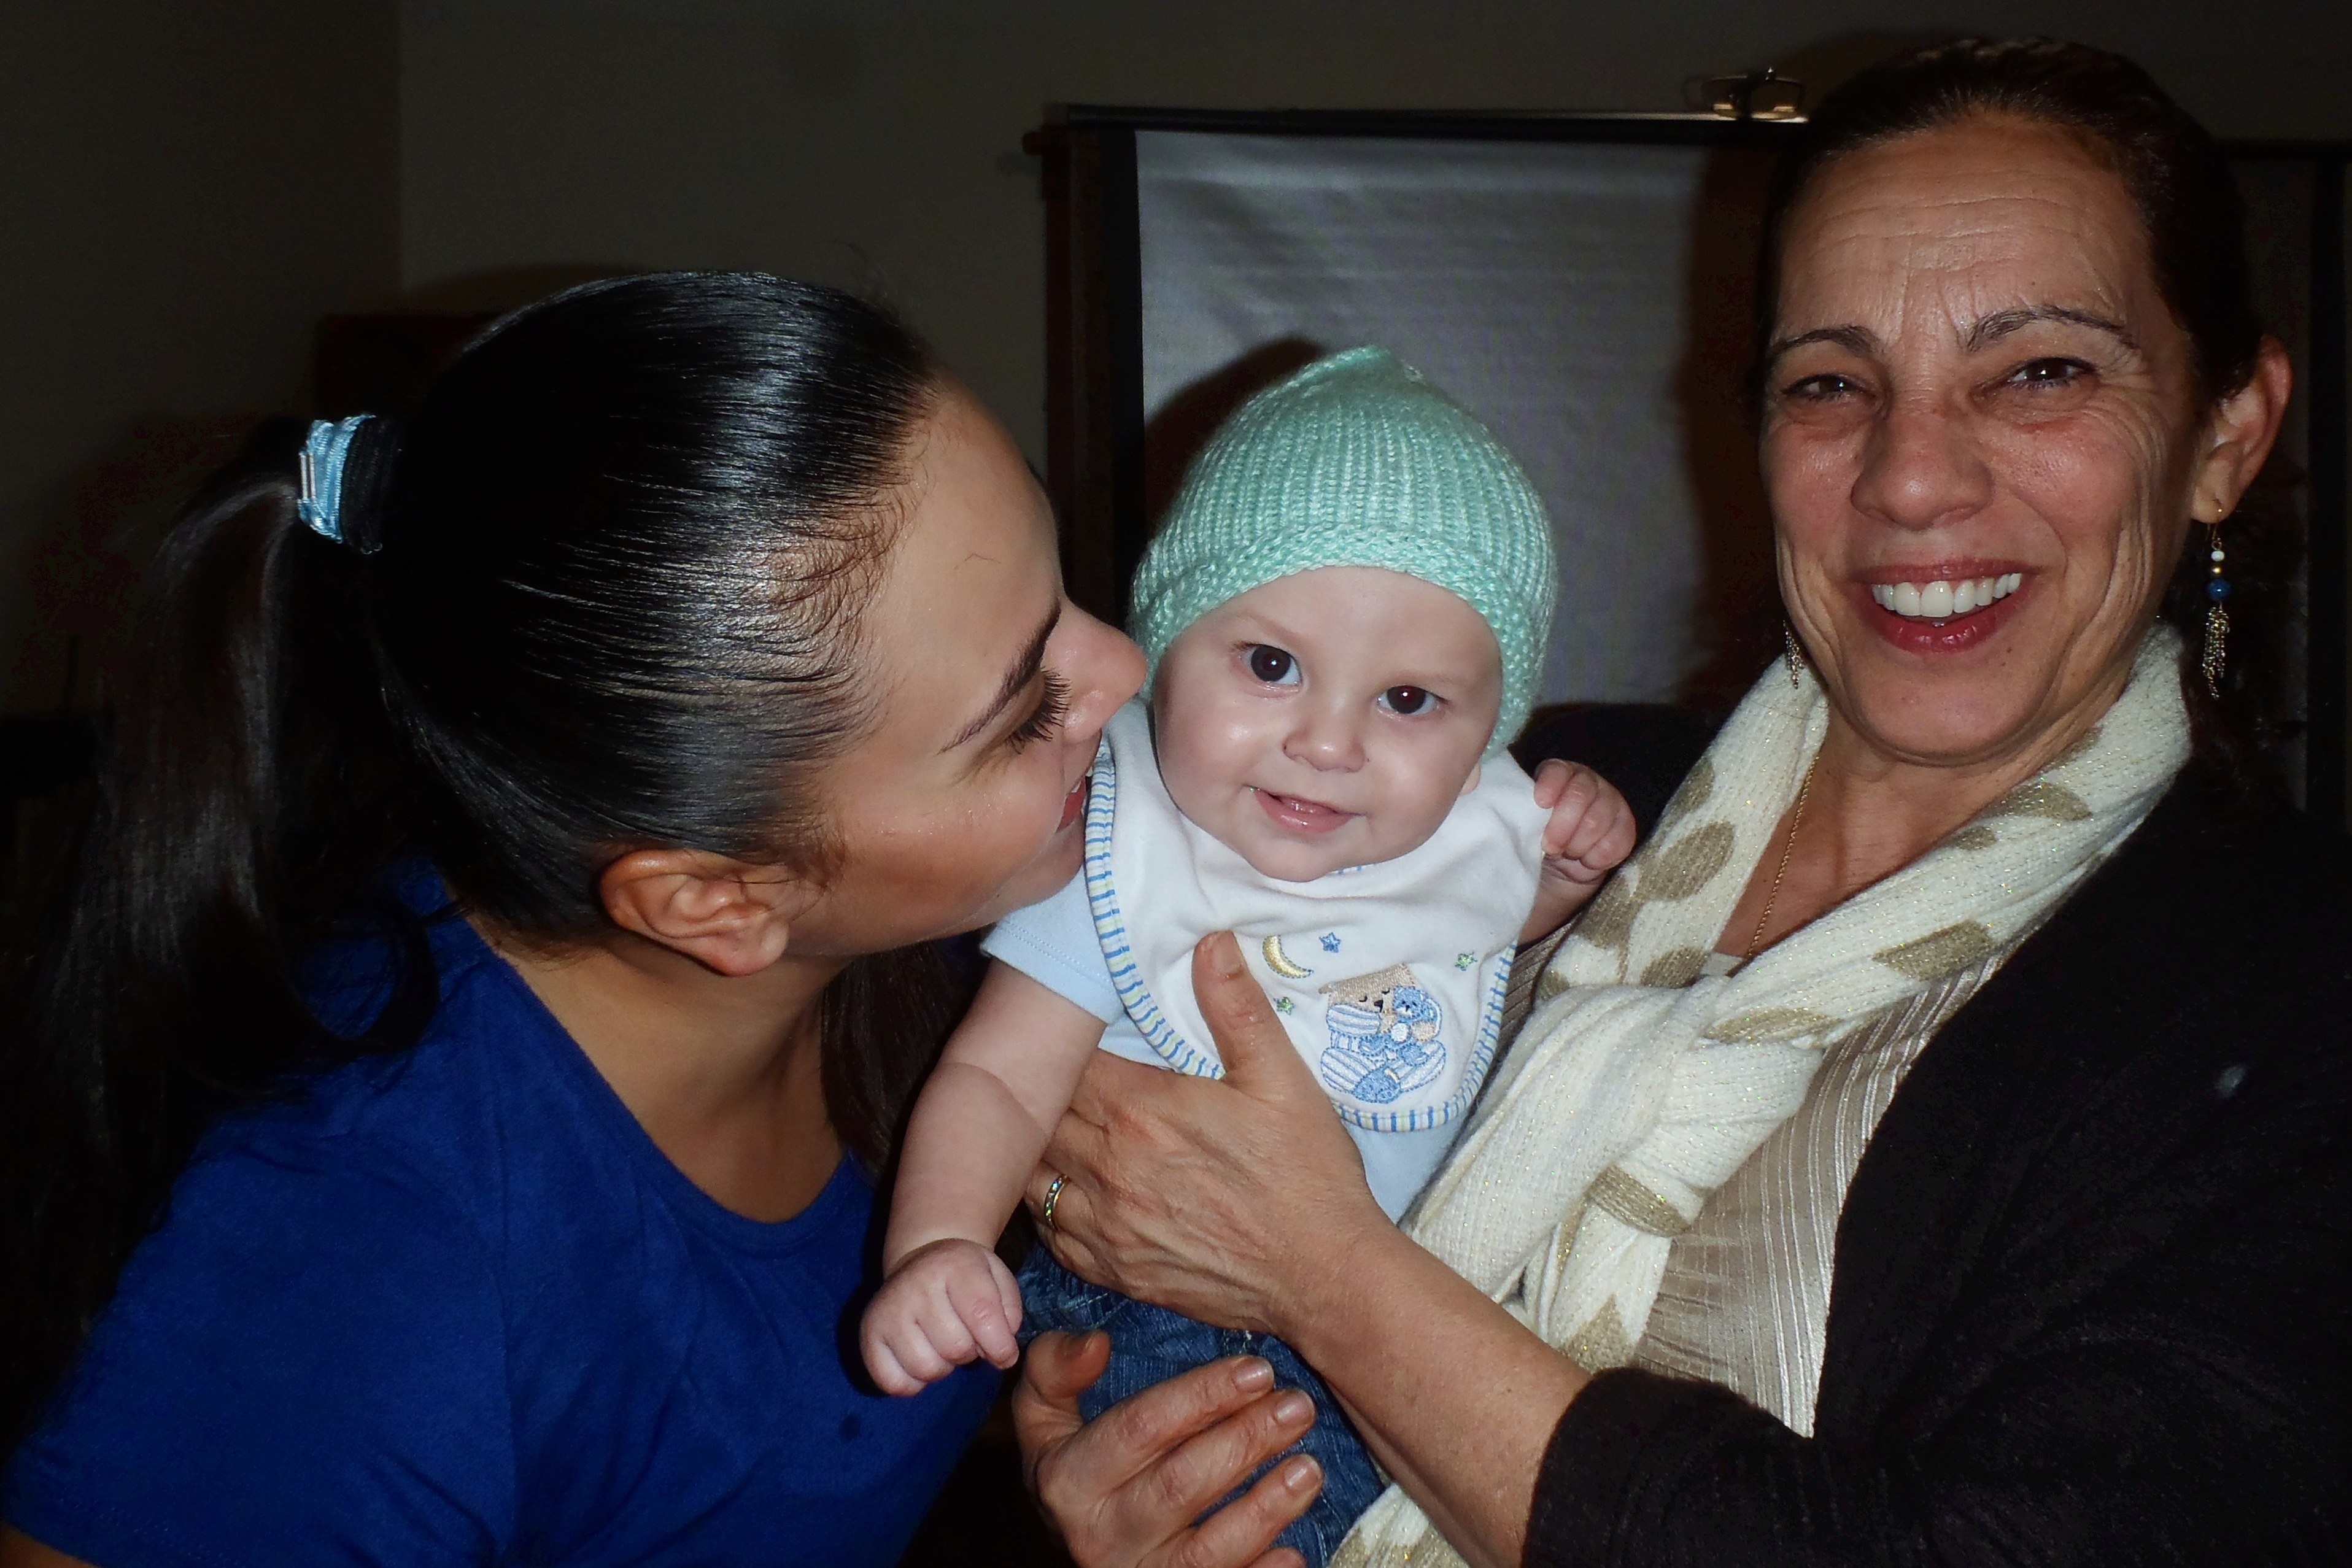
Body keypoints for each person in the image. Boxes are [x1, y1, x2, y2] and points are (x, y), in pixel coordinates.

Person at [1006, 39, 2351, 1568]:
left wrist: (1326, 1279)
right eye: (1830, 383)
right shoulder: (1532, 801)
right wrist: (1156, 1451)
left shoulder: (2291, 1002)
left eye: (2039, 370)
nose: (1910, 479)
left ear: (2224, 433)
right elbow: (1099, 1091)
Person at [0, 273, 1148, 1566]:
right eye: (1024, 713)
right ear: (716, 902)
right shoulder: (349, 1282)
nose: (1123, 666)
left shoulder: (934, 937)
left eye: (1061, 594)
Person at [857, 348, 1636, 1562]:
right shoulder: (1122, 846)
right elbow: (999, 1078)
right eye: (1271, 667)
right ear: (1167, 647)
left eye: (1409, 702)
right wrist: (937, 1245)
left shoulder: (1452, 830)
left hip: (1426, 1312)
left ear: (1494, 730)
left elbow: (1437, 955)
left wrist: (1550, 883)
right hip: (1180, 1319)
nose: (1327, 742)